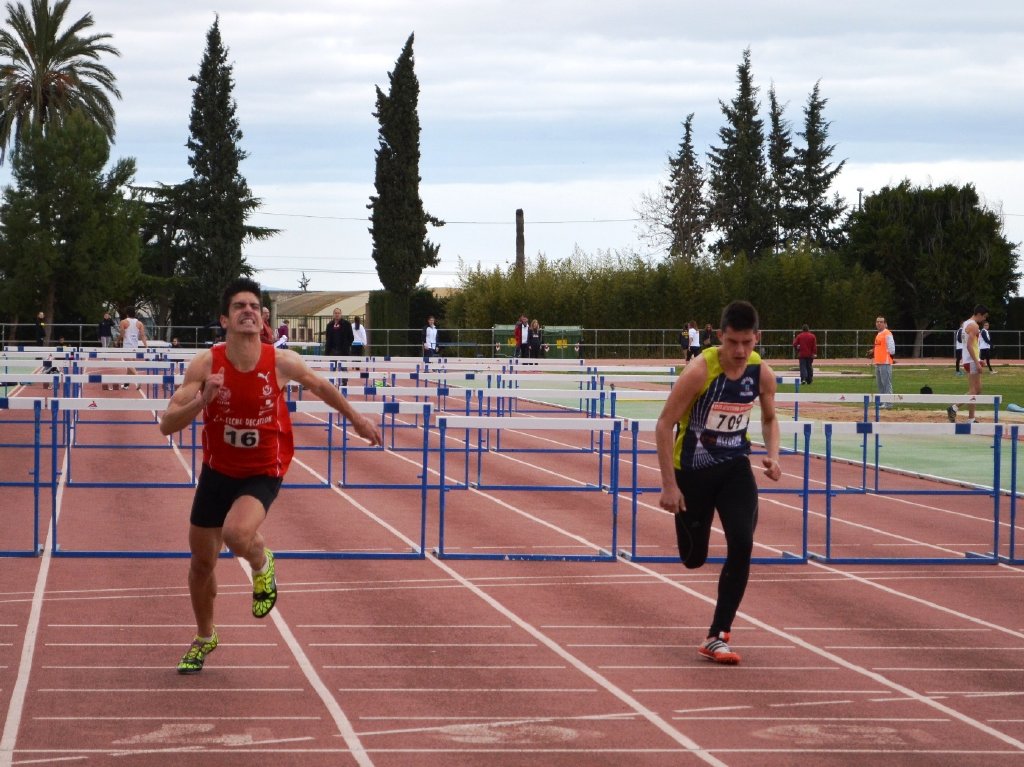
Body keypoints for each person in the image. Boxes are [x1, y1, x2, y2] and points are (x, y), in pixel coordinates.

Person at [159, 277, 382, 674]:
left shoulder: (280, 362)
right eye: (238, 306)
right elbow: (167, 424)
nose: (247, 311)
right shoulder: (206, 364)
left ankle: (263, 565)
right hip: (217, 470)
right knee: (200, 564)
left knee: (237, 534)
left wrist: (356, 419)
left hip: (263, 468)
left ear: (262, 318)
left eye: (253, 306)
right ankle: (205, 636)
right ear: (224, 320)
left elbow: (321, 386)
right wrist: (201, 401)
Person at [655, 300, 781, 665]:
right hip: (692, 472)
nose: (740, 351)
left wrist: (774, 454)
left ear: (757, 338)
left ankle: (718, 635)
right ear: (720, 338)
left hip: (734, 467)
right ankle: (689, 524)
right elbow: (664, 425)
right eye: (732, 343)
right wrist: (668, 486)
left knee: (742, 542)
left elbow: (771, 419)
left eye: (747, 343)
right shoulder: (699, 371)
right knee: (694, 559)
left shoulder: (761, 373)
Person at [948, 305, 989, 423]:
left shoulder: (966, 323)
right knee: (973, 390)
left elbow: (972, 346)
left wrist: (979, 359)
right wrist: (977, 363)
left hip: (970, 359)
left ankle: (970, 417)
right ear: (979, 314)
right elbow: (969, 346)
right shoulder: (974, 326)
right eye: (984, 317)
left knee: (977, 389)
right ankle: (955, 408)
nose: (984, 320)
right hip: (971, 360)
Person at [119, 308, 148, 390]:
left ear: (127, 314)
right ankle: (126, 385)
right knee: (129, 367)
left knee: (129, 364)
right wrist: (146, 346)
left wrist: (117, 341)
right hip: (135, 346)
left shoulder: (123, 322)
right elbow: (142, 336)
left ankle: (138, 378)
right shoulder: (139, 323)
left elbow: (122, 333)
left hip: (127, 345)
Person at [869, 316, 895, 406]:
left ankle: (888, 403)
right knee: (880, 384)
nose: (879, 323)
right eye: (877, 322)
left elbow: (892, 349)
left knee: (886, 384)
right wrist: (873, 351)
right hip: (878, 362)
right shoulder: (878, 334)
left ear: (885, 324)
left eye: (881, 322)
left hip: (885, 362)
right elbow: (879, 347)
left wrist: (889, 358)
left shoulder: (887, 334)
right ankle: (882, 401)